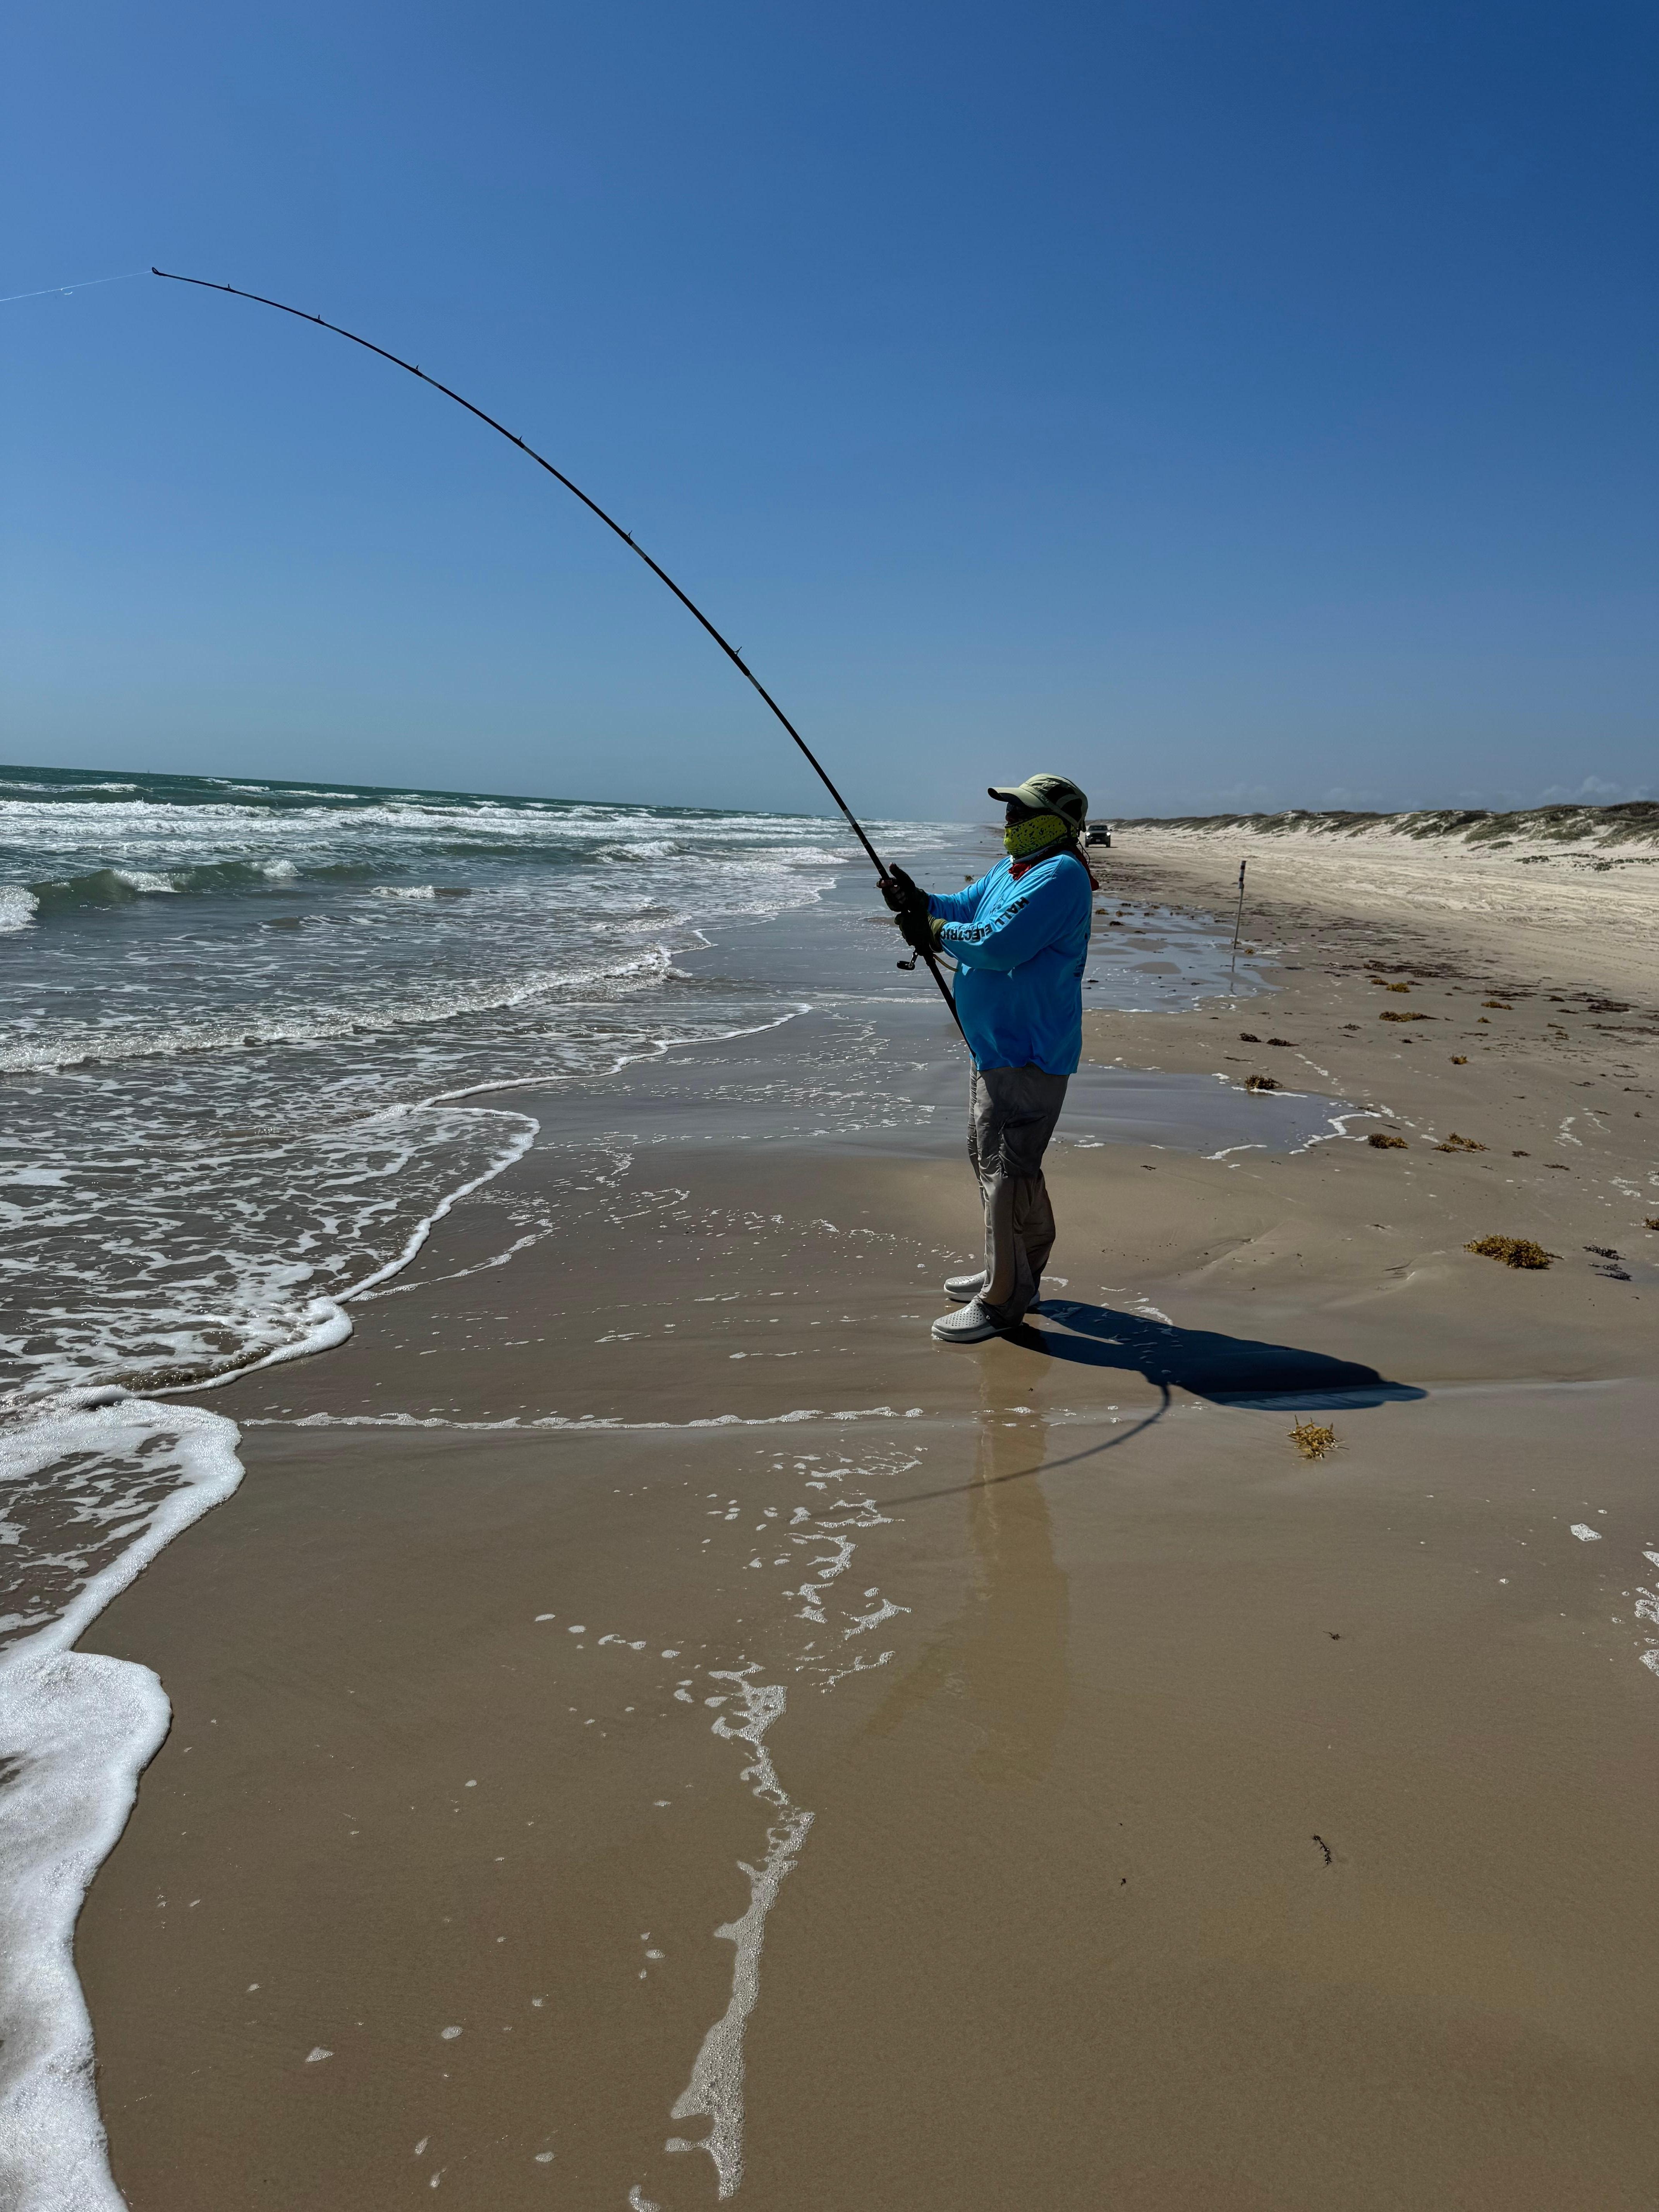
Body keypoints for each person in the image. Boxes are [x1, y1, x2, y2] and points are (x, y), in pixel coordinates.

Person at [883, 771, 1095, 1344]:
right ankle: (1013, 1268)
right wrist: (922, 902)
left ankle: (1003, 1301)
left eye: (1022, 813)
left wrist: (933, 929)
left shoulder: (1062, 876)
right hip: (994, 1044)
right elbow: (968, 908)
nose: (1010, 822)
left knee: (1006, 1170)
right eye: (1010, 811)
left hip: (1028, 1051)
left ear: (1055, 822)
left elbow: (995, 944)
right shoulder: (1014, 868)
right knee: (993, 1159)